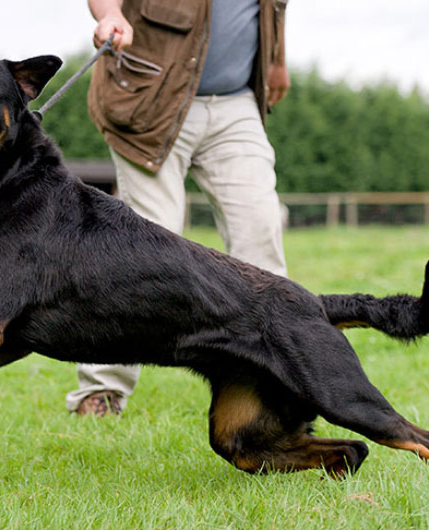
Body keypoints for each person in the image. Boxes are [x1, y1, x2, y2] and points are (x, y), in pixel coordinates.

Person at [67, 0, 291, 416]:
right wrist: (110, 15)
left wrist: (276, 61)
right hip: (152, 99)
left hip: (236, 103)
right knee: (145, 252)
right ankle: (101, 390)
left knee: (261, 231)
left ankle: (271, 390)